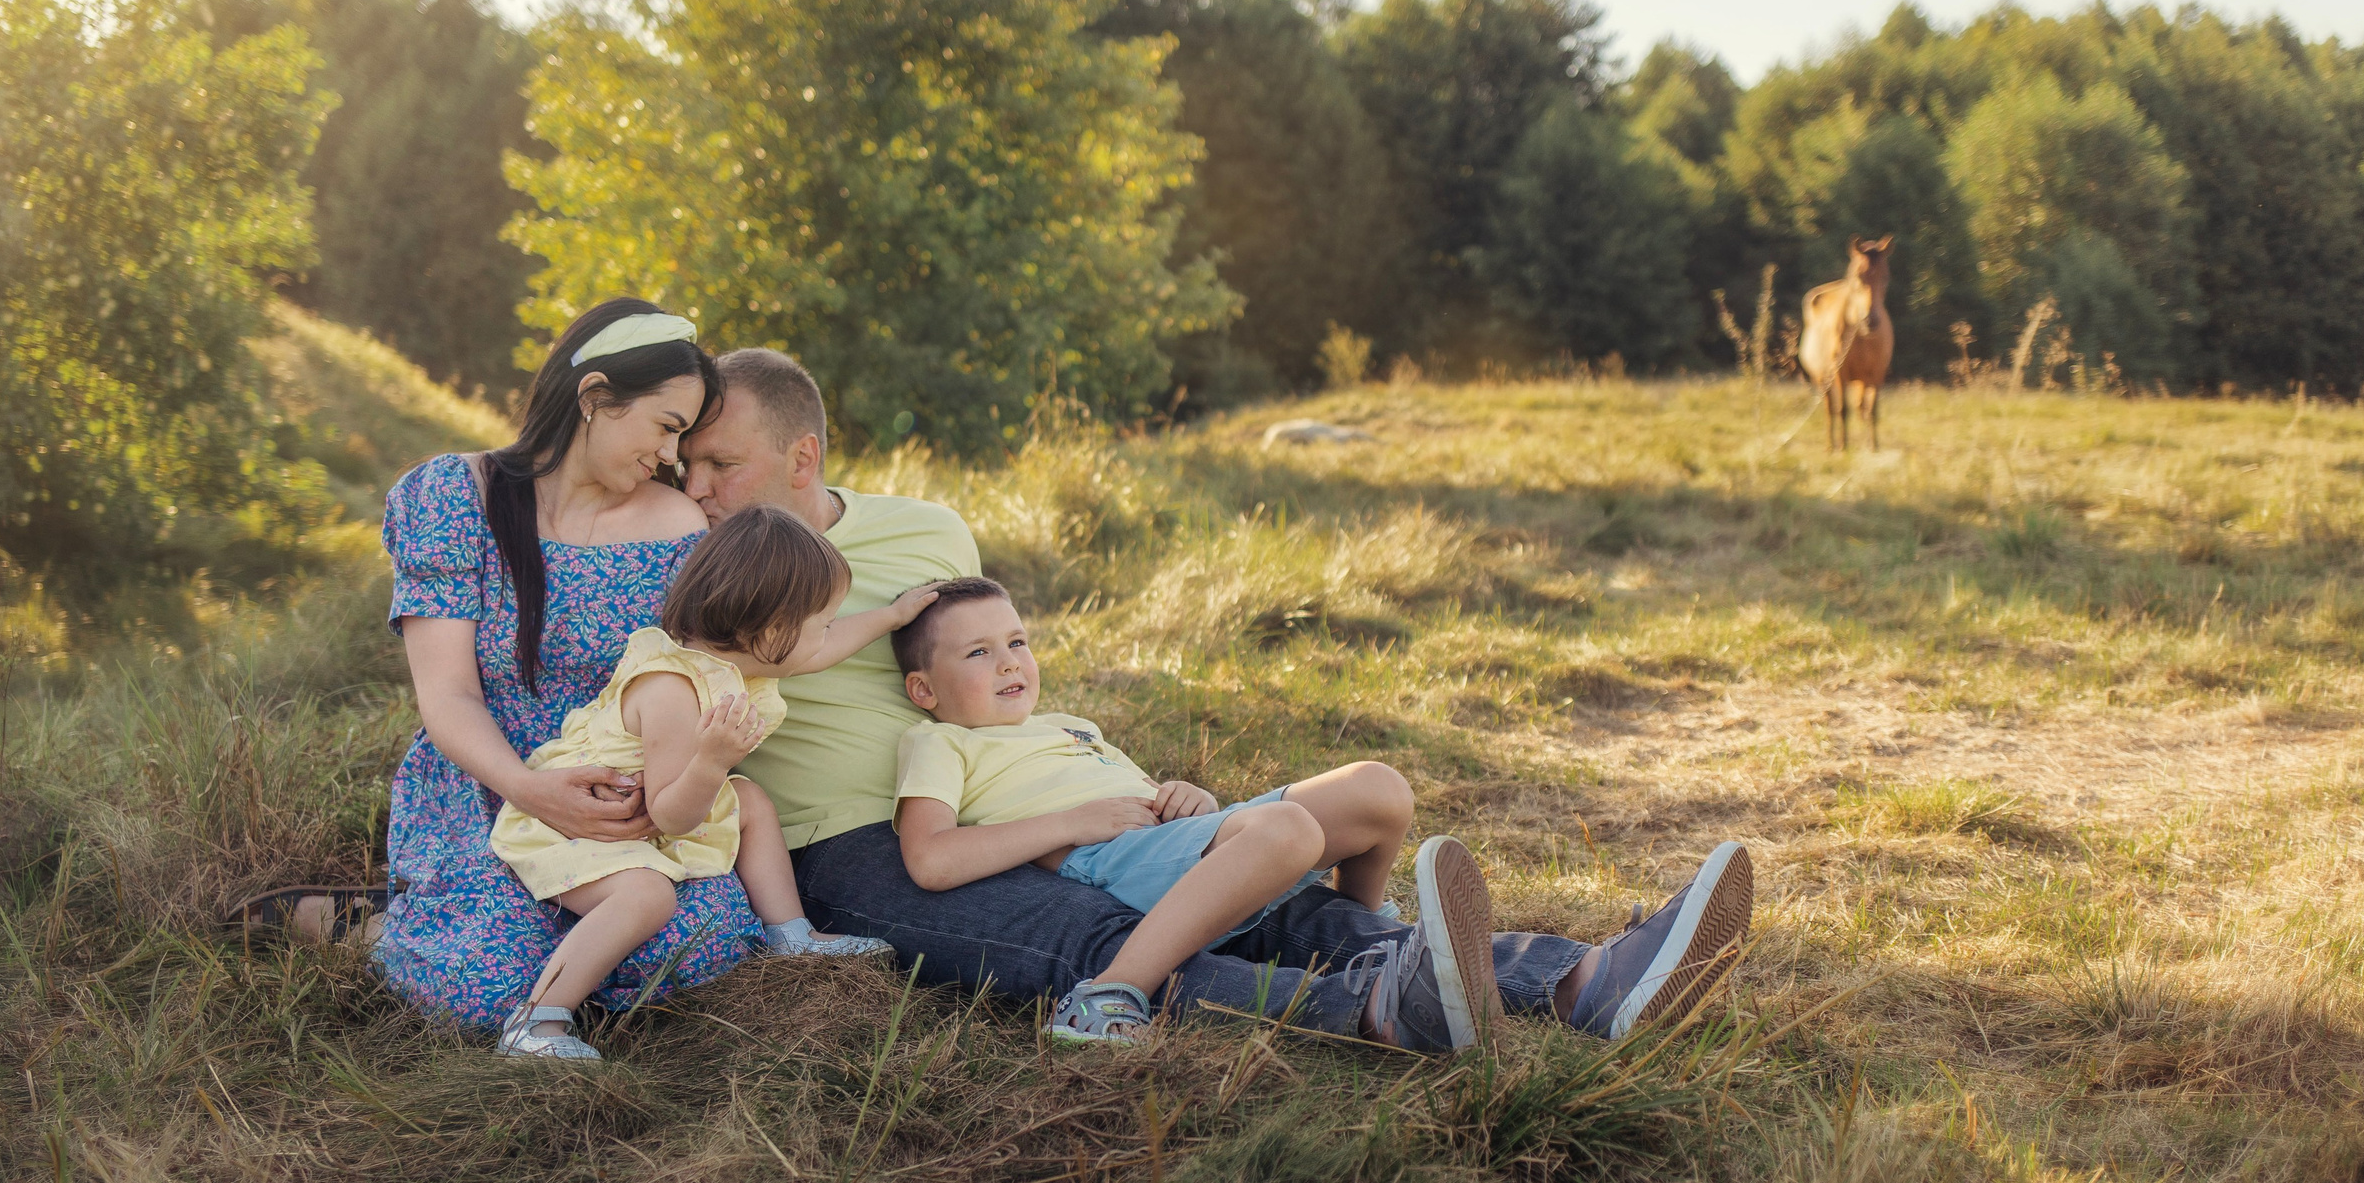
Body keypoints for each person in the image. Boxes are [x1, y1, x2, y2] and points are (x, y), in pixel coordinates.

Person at [681, 347, 1755, 1049]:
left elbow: (982, 674)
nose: (696, 488)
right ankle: (1371, 1010)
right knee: (1091, 930)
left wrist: (1089, 783)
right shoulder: (692, 558)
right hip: (856, 841)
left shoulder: (927, 530)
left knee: (1257, 885)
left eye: (718, 464)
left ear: (800, 455)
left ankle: (1579, 983)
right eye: (687, 467)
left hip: (1019, 800)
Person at [348, 300, 769, 1033]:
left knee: (698, 951)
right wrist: (531, 788)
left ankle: (457, 935)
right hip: (492, 780)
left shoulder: (675, 525)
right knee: (483, 989)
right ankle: (364, 921)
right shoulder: (455, 496)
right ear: (595, 397)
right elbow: (447, 695)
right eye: (667, 428)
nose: (671, 459)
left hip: (619, 794)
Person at [891, 578, 1495, 1046]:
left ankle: (1359, 933)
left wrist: (1190, 798)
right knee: (1289, 829)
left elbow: (1147, 797)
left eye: (1017, 642)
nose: (1008, 662)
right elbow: (930, 860)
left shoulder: (1073, 726)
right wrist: (1072, 824)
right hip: (1106, 860)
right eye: (978, 652)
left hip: (1171, 838)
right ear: (924, 690)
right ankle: (1107, 996)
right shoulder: (940, 743)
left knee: (1378, 788)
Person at [484, 505, 941, 1057]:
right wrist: (712, 761)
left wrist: (893, 616)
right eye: (820, 622)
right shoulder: (674, 692)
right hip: (586, 825)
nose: (827, 635)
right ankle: (537, 1022)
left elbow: (822, 649)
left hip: (653, 806)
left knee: (750, 799)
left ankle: (791, 934)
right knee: (646, 896)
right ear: (772, 630)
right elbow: (674, 815)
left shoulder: (737, 661)